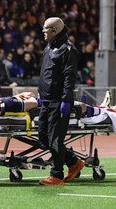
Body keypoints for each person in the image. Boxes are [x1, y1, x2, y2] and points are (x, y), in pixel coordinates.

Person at [36, 17, 84, 186]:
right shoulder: (49, 48)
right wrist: (40, 93)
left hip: (58, 101)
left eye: (46, 30)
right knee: (43, 137)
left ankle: (56, 175)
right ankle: (73, 162)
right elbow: (45, 73)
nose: (43, 32)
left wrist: (66, 99)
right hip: (47, 100)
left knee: (55, 138)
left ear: (55, 31)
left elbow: (69, 77)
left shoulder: (68, 50)